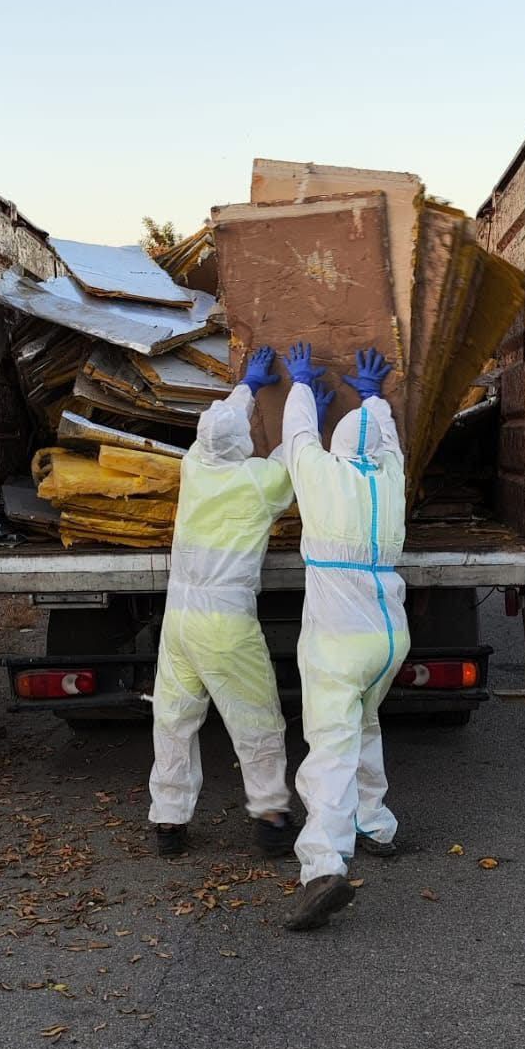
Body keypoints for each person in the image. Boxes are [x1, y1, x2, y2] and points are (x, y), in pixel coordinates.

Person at [148, 346, 300, 859]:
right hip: (224, 621)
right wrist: (305, 398)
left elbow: (221, 427)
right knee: (255, 717)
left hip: (179, 617)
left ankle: (169, 822)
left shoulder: (194, 467)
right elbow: (294, 459)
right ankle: (271, 817)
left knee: (173, 719)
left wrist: (247, 386)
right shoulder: (256, 484)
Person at [278, 341, 410, 932]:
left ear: (336, 450)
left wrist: (301, 383)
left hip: (337, 637)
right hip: (388, 637)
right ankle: (375, 822)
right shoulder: (392, 481)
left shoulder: (321, 477)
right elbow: (390, 444)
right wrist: (375, 397)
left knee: (329, 746)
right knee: (365, 722)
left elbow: (299, 438)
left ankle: (321, 869)